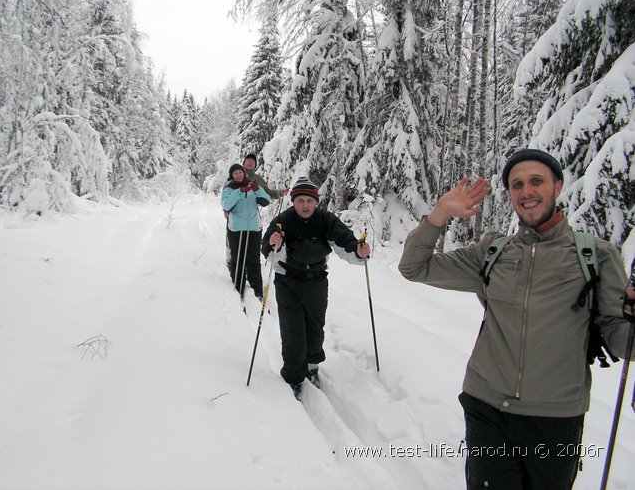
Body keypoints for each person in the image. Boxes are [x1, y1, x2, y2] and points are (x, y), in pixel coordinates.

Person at [398, 149, 634, 490]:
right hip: (487, 407)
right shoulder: (492, 252)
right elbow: (414, 268)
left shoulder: (595, 256)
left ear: (558, 185)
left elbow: (619, 338)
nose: (526, 192)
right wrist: (439, 215)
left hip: (556, 417)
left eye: (536, 181)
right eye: (517, 184)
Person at [262, 177, 371, 399]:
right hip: (287, 280)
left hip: (316, 280)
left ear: (316, 201)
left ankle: (312, 365)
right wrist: (276, 244)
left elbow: (345, 242)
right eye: (300, 200)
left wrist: (358, 251)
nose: (305, 205)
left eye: (309, 200)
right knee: (292, 329)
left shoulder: (325, 220)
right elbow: (269, 252)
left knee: (315, 325)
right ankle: (293, 377)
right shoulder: (283, 221)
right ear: (293, 202)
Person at [222, 163, 272, 300]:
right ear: (232, 175)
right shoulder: (229, 189)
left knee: (254, 259)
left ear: (244, 173)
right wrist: (239, 192)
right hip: (236, 229)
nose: (238, 175)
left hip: (253, 228)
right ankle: (239, 287)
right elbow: (226, 205)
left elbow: (266, 201)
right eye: (235, 173)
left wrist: (257, 190)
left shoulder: (252, 186)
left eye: (240, 172)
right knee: (238, 259)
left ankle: (257, 290)